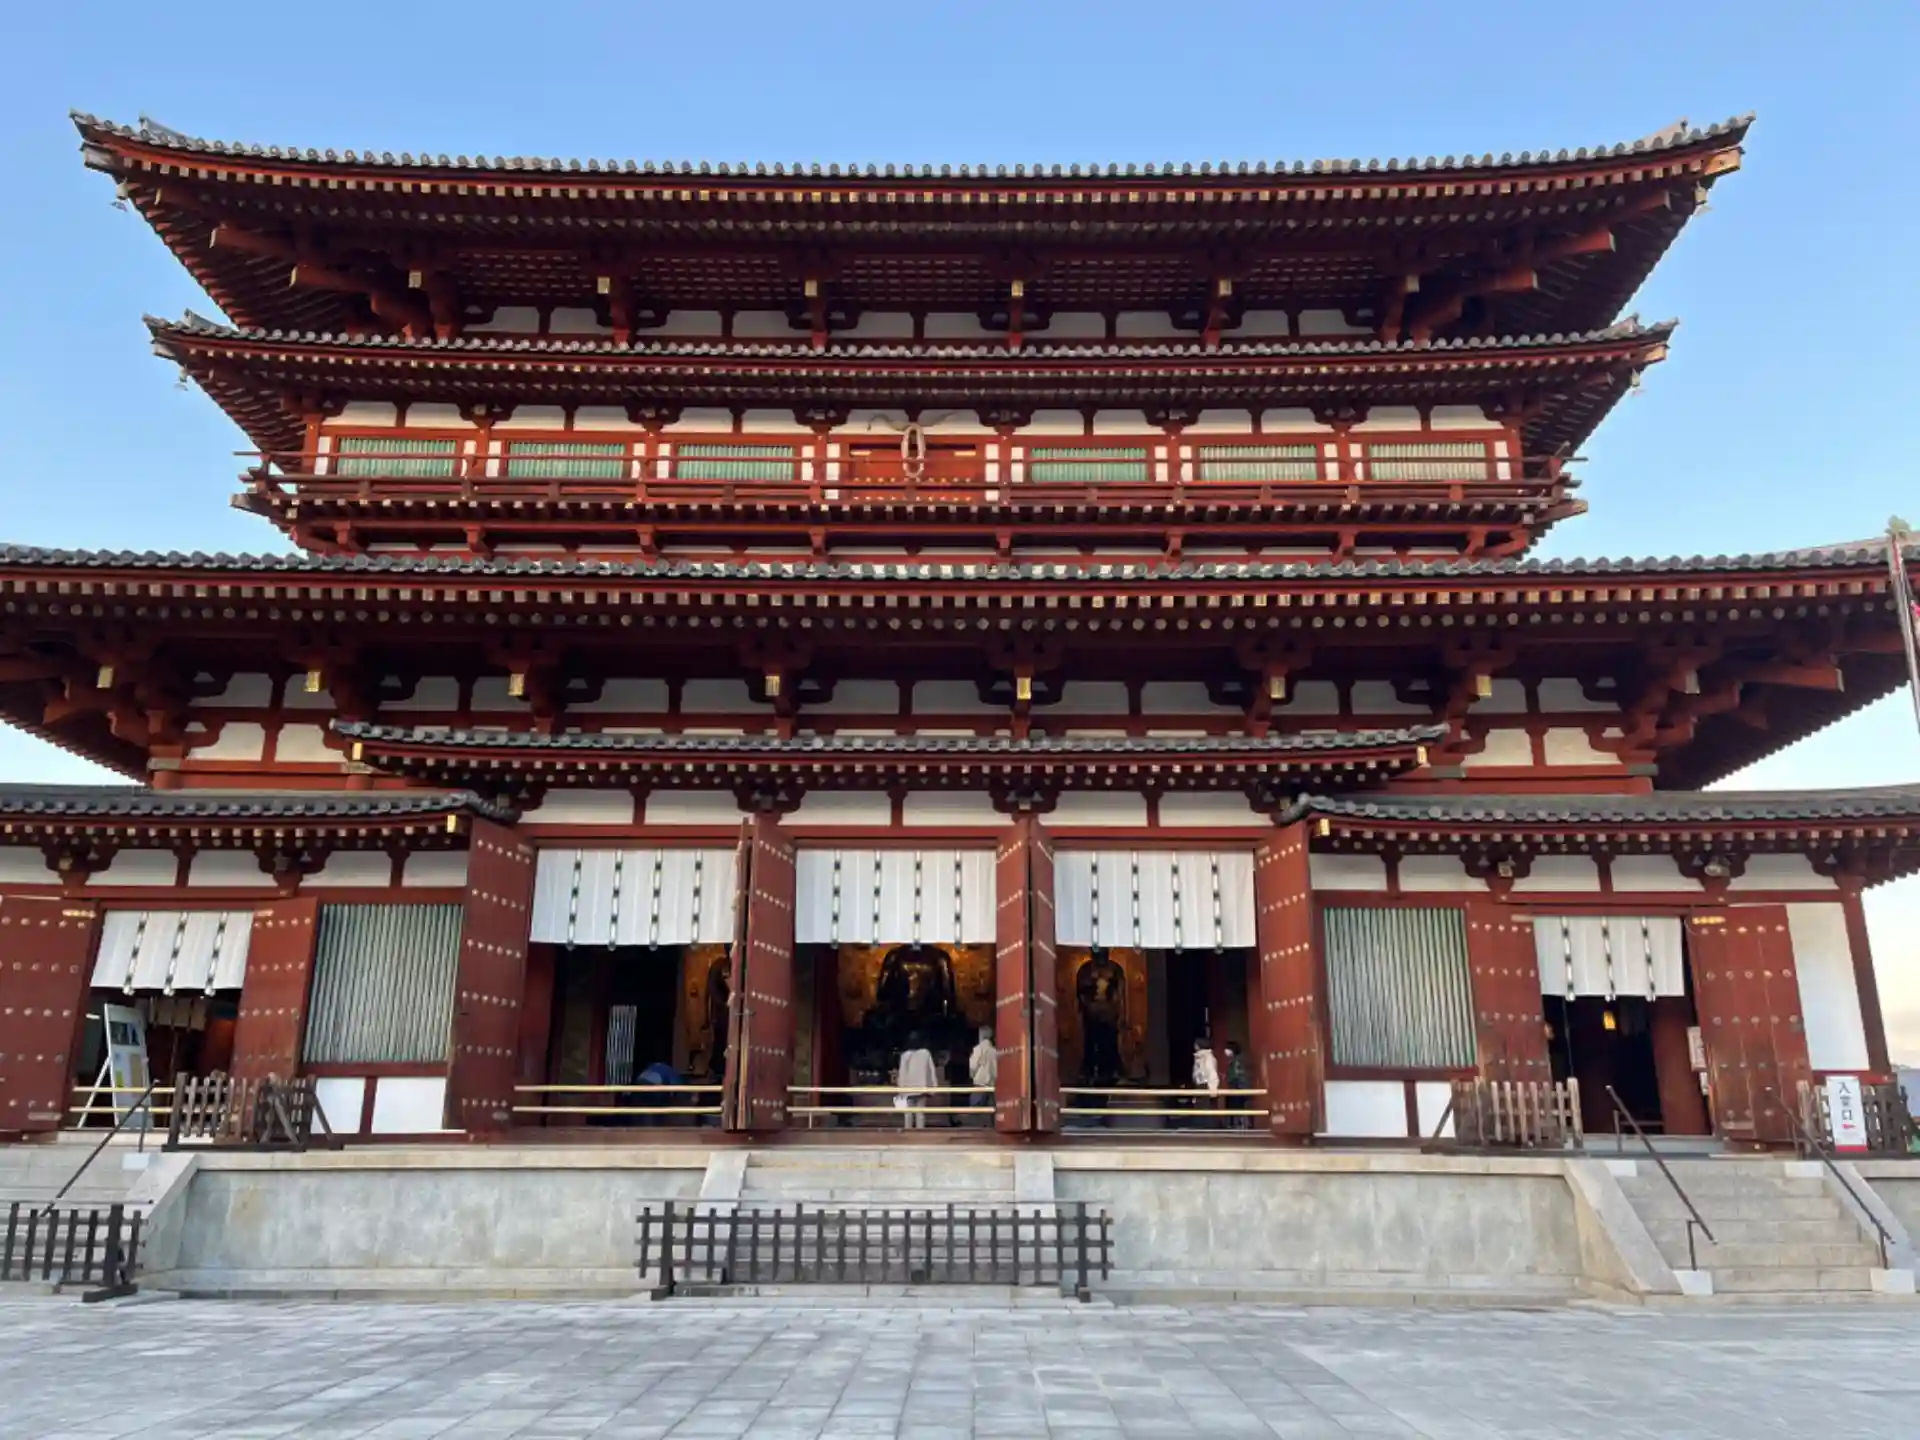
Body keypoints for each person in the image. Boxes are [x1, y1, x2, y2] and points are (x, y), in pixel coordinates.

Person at [896, 1031, 939, 1131]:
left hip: (908, 1089)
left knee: (908, 1114)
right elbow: (931, 1070)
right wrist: (934, 1087)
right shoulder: (926, 1053)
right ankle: (920, 1134)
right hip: (921, 1088)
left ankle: (908, 1133)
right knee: (920, 1114)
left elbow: (902, 1073)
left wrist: (900, 1089)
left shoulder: (905, 1055)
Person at [1192, 1037, 1221, 1130]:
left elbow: (1212, 1073)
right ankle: (1202, 1126)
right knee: (1200, 1106)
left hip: (1206, 1085)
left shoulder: (1208, 1057)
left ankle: (1209, 1127)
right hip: (1200, 1084)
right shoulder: (1199, 1057)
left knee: (1206, 1107)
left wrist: (1213, 1088)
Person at [968, 1025, 997, 1117]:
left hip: (980, 1082)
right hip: (992, 1083)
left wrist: (972, 1076)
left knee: (975, 1110)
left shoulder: (977, 1049)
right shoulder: (994, 1051)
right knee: (991, 1111)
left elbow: (973, 1066)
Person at [1222, 1042, 1252, 1130]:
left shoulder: (1237, 1062)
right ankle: (1237, 1124)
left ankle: (1241, 1124)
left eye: (1227, 1049)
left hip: (1238, 1087)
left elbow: (1238, 1075)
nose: (1225, 1051)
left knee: (1238, 1106)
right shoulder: (1233, 1061)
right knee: (1236, 1106)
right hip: (1236, 1086)